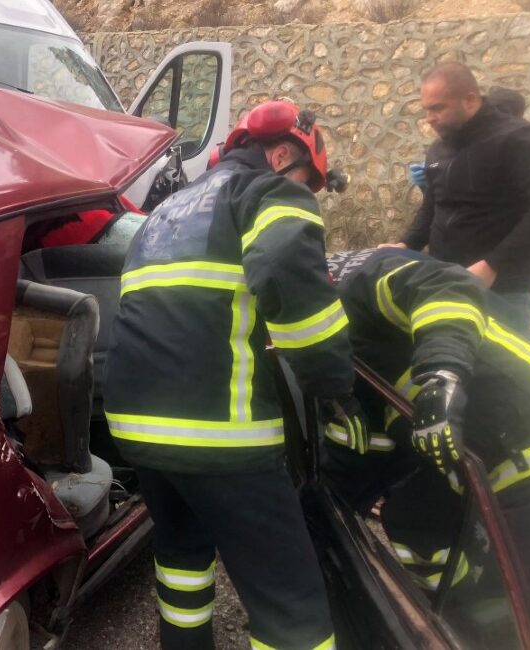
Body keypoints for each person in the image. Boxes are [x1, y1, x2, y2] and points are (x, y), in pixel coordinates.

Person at [104, 100, 363, 650]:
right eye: (309, 183)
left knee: (182, 561)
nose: (308, 194)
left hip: (139, 433)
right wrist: (336, 385)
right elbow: (287, 281)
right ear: (282, 153)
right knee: (292, 606)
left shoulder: (168, 210)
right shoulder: (270, 192)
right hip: (221, 438)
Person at [322, 247, 530, 649]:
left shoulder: (361, 278)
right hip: (474, 454)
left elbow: (447, 285)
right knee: (414, 521)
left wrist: (441, 373)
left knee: (529, 624)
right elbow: (366, 442)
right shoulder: (321, 313)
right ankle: (458, 618)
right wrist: (323, 512)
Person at [381, 63, 530, 331]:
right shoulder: (438, 148)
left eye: (437, 108)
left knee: (499, 370)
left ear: (469, 101)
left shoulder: (520, 138)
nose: (428, 118)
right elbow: (434, 206)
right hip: (447, 278)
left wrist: (493, 265)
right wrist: (407, 244)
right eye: (425, 109)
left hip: (504, 287)